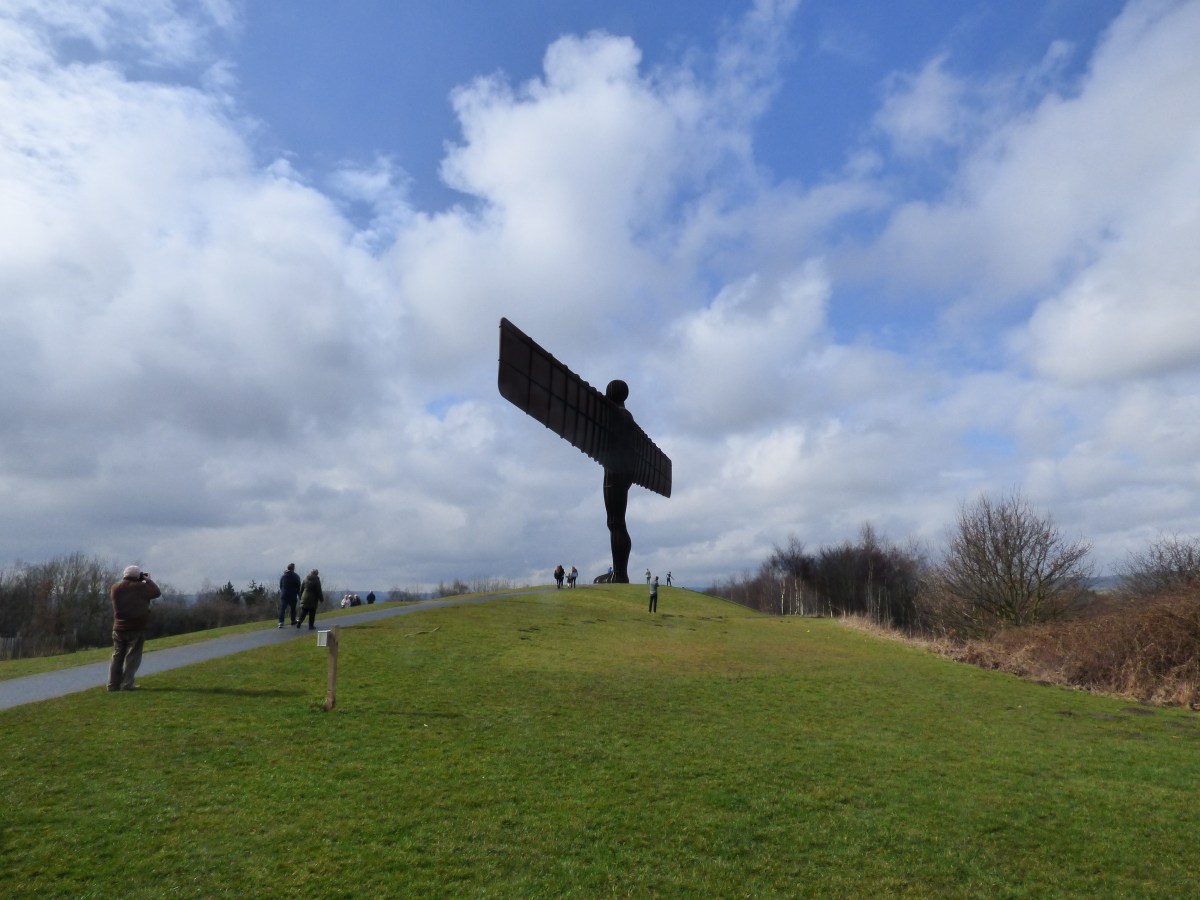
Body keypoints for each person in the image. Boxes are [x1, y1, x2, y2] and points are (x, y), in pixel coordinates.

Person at [602, 380, 637, 583]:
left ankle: (620, 574)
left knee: (615, 522)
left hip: (614, 471)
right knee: (618, 522)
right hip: (625, 472)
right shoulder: (628, 417)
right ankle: (619, 571)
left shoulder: (614, 414)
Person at [108, 565, 161, 692]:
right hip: (135, 627)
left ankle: (112, 685)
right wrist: (147, 580)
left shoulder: (115, 588)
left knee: (117, 656)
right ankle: (127, 684)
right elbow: (156, 592)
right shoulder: (141, 587)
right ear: (137, 575)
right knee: (133, 656)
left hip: (118, 627)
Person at [278, 563, 301, 628]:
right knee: (293, 608)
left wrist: (283, 591)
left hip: (284, 594)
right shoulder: (296, 576)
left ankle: (281, 622)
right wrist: (299, 595)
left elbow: (280, 586)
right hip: (292, 594)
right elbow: (298, 586)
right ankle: (293, 620)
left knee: (282, 609)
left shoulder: (283, 576)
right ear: (293, 568)